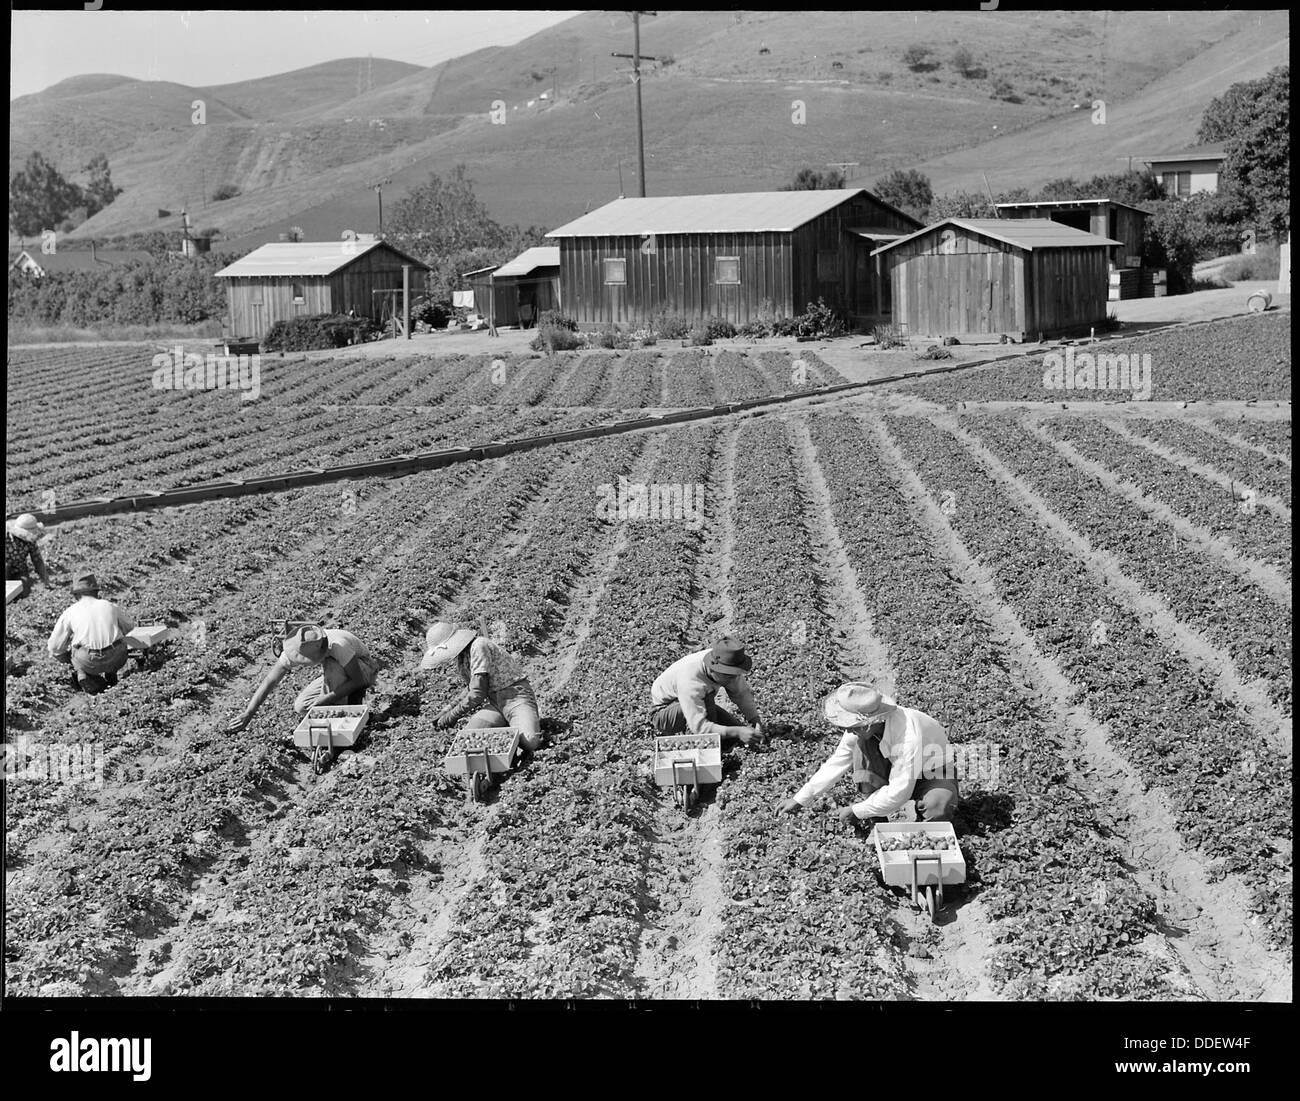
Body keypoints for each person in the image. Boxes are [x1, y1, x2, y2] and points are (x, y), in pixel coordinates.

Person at [776, 684, 958, 824]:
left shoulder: (909, 737)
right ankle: (877, 819)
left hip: (932, 772)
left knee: (937, 806)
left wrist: (856, 811)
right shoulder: (862, 732)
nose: (849, 731)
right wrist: (800, 798)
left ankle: (921, 831)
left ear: (870, 723)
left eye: (852, 727)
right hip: (899, 769)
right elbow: (838, 761)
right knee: (861, 748)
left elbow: (899, 793)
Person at [226, 625, 380, 733]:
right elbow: (270, 681)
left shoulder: (338, 645)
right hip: (336, 672)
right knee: (302, 706)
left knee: (333, 671)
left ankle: (349, 720)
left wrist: (325, 700)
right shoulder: (299, 647)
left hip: (364, 668)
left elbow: (358, 680)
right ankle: (337, 712)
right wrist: (249, 713)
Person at [420, 622, 544, 751]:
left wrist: (452, 716)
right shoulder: (463, 657)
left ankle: (521, 722)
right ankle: (512, 726)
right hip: (495, 704)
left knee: (530, 742)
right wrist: (446, 710)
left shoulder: (479, 646)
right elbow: (471, 688)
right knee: (470, 735)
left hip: (516, 698)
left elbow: (477, 693)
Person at [650, 638, 765, 747]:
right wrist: (737, 732)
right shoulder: (690, 680)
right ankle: (706, 749)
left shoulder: (726, 659)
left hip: (701, 700)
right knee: (723, 730)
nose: (733, 679)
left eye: (735, 674)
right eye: (728, 675)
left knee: (734, 738)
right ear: (712, 668)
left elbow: (742, 694)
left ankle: (720, 744)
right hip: (664, 713)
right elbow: (699, 727)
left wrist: (755, 721)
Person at [47, 572, 135, 694]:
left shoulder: (70, 612)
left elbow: (54, 646)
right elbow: (130, 627)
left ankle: (83, 673)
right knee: (116, 641)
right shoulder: (109, 605)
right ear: (96, 592)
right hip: (117, 657)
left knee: (72, 649)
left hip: (89, 661)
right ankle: (111, 673)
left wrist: (68, 655)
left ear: (76, 595)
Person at [7, 513, 52, 596]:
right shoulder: (7, 537)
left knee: (24, 590)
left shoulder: (30, 541)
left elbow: (37, 560)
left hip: (19, 570)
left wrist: (45, 580)